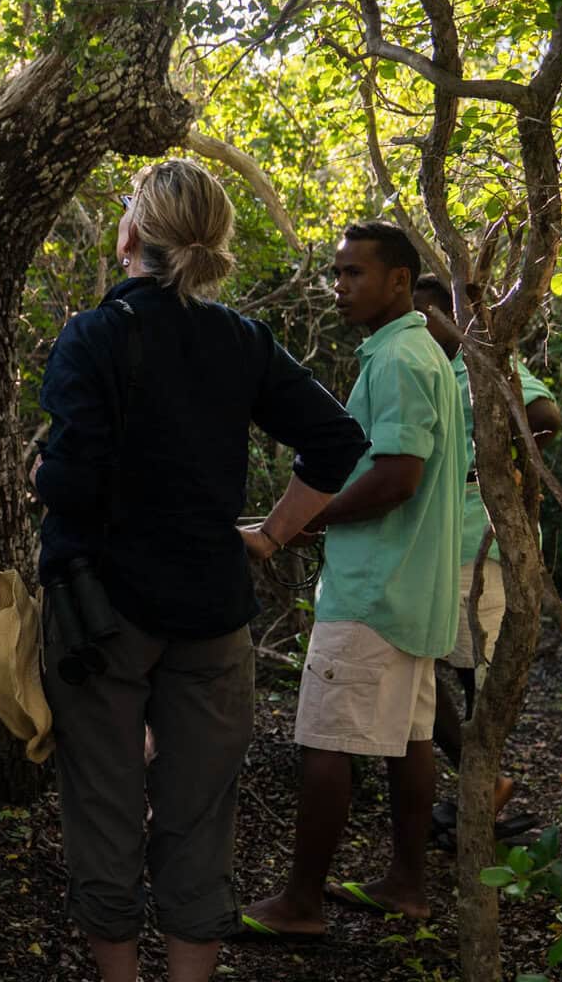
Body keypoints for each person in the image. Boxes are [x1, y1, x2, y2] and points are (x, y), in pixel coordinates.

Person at [33, 159, 368, 982]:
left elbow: (72, 480)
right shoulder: (241, 340)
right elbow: (337, 440)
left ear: (134, 234)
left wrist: (42, 479)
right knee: (200, 814)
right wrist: (272, 534)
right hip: (214, 609)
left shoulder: (95, 336)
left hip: (101, 614)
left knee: (104, 807)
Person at [244, 221, 467, 937]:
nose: (338, 288)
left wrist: (314, 519)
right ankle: (407, 883)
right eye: (335, 274)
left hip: (375, 589)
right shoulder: (418, 352)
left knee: (326, 741)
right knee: (410, 739)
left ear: (400, 282)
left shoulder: (401, 358)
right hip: (412, 589)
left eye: (353, 274)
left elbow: (399, 477)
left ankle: (300, 904)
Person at [410, 274, 562, 832]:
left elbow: (545, 418)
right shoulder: (422, 365)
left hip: (478, 541)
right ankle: (478, 784)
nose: (420, 325)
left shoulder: (480, 363)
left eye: (427, 314)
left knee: (473, 671)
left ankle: (483, 786)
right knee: (430, 662)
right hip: (443, 539)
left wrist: (490, 466)